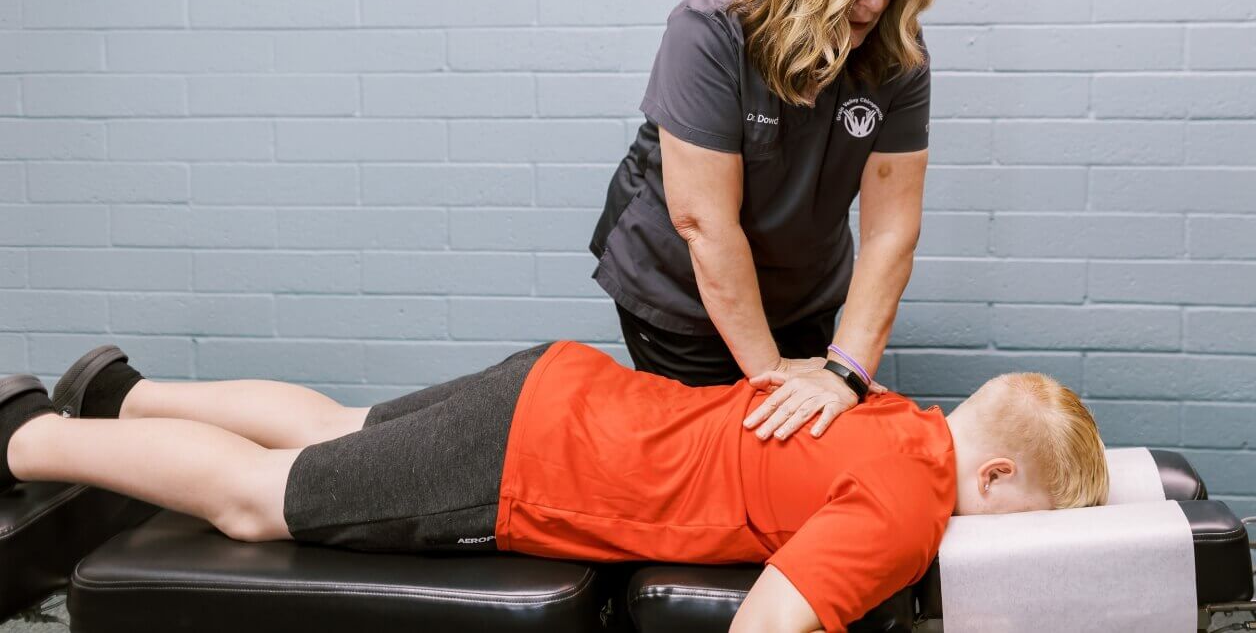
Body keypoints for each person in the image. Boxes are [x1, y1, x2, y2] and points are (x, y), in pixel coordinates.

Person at [0, 343, 1108, 633]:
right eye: (1028, 520)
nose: (1012, 541)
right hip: (530, 461)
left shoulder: (893, 411)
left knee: (339, 424)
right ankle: (30, 437)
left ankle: (123, 393)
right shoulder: (913, 507)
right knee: (256, 494)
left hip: (556, 385)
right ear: (995, 471)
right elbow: (772, 615)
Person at [589, 0, 936, 428]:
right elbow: (703, 223)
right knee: (715, 456)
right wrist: (773, 374)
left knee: (802, 441)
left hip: (803, 289)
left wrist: (844, 374)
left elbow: (890, 230)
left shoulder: (896, 49)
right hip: (682, 293)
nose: (876, 2)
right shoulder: (709, 31)